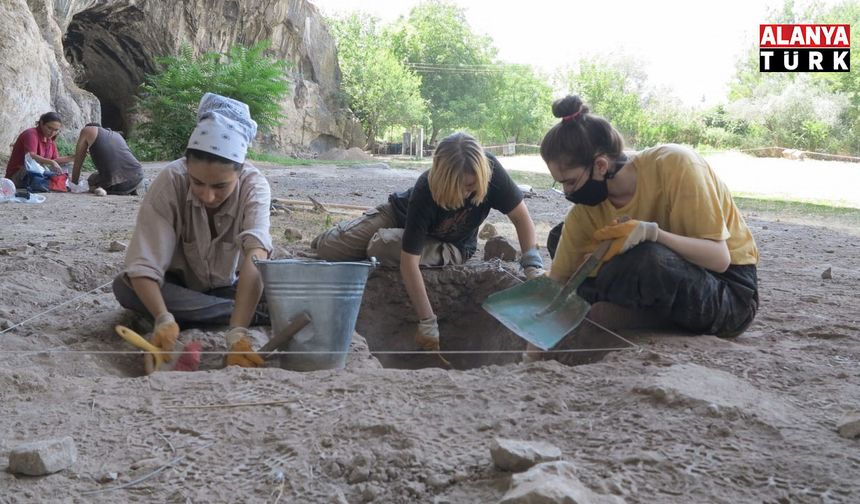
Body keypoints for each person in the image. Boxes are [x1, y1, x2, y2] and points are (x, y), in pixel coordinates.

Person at [528, 95, 759, 361]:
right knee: (561, 237)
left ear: (600, 166)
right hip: (662, 278)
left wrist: (653, 233)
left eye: (570, 182)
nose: (568, 193)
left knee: (646, 258)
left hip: (727, 293)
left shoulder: (677, 165)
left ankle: (644, 314)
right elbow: (559, 283)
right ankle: (647, 313)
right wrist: (531, 351)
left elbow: (719, 258)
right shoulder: (586, 211)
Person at [311, 131, 545, 352]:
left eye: (472, 186)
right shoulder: (425, 188)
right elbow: (409, 263)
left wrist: (532, 265)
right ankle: (360, 239)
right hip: (400, 215)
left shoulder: (490, 171)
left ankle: (378, 248)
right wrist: (428, 320)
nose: (467, 193)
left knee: (382, 245)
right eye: (461, 186)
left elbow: (521, 217)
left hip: (452, 244)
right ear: (442, 179)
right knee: (328, 248)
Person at [112, 93, 272, 372]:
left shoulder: (254, 186)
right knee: (125, 287)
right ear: (187, 166)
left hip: (230, 287)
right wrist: (163, 317)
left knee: (279, 285)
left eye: (220, 186)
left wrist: (237, 335)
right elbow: (144, 264)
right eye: (197, 183)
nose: (208, 196)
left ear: (240, 171)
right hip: (178, 287)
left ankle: (224, 316)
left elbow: (256, 256)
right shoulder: (170, 180)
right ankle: (247, 314)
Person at [70, 123, 144, 195]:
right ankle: (134, 188)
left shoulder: (87, 130)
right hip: (138, 176)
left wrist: (73, 183)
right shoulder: (116, 135)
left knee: (92, 178)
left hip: (118, 184)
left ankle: (98, 188)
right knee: (98, 175)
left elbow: (78, 161)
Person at [5, 112, 74, 188]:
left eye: (56, 130)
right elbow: (31, 156)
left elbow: (55, 159)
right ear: (41, 123)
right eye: (49, 128)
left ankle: (53, 182)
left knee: (68, 165)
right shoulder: (31, 133)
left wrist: (74, 157)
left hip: (38, 172)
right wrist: (51, 162)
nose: (52, 133)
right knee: (33, 166)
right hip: (19, 175)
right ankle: (51, 182)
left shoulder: (50, 139)